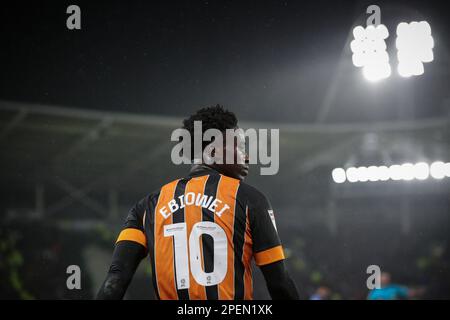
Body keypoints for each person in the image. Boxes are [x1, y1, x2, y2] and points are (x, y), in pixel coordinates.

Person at [97, 105, 299, 300]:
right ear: (212, 152)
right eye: (240, 146)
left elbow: (115, 280)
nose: (246, 157)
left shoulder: (147, 206)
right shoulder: (250, 199)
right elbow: (279, 282)